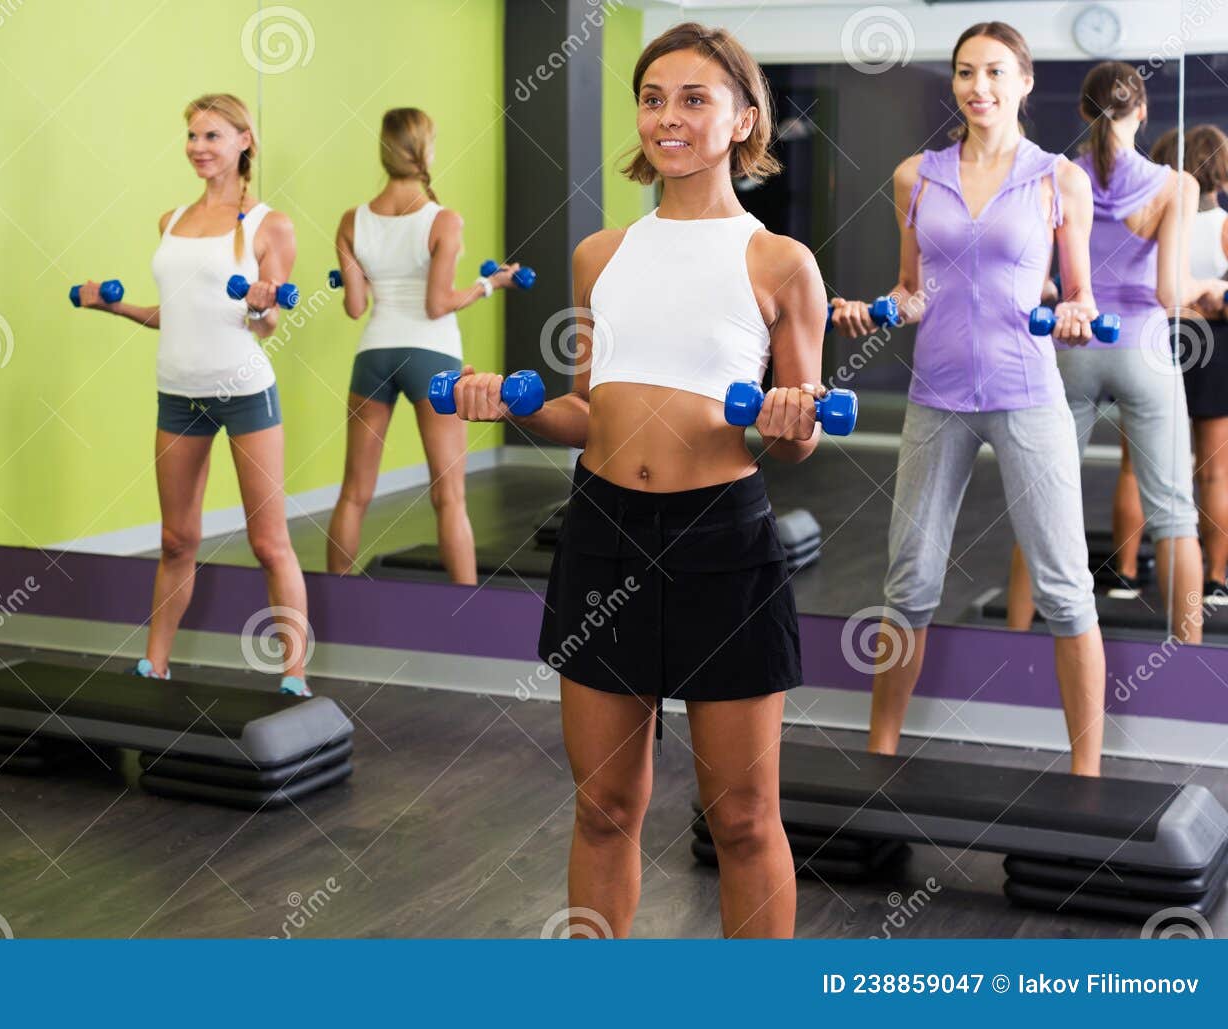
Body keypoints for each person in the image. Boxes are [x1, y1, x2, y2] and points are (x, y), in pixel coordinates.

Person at [455, 22, 824, 939]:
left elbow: (799, 437)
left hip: (723, 537)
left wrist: (787, 419)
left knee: (741, 818)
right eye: (654, 98)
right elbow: (589, 412)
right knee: (604, 805)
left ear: (744, 120)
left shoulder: (781, 263)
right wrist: (517, 407)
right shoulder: (601, 254)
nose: (669, 117)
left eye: (696, 99)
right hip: (603, 530)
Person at [835, 22, 1108, 775]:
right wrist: (879, 308)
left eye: (994, 72)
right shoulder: (915, 176)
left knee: (1064, 587)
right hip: (938, 394)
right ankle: (879, 755)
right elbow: (913, 290)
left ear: (1023, 81)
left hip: (1027, 393)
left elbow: (1079, 295)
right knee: (910, 580)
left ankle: (1087, 776)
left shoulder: (1059, 178)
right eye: (964, 72)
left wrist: (1078, 318)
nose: (977, 87)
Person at [75, 93, 310, 696]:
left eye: (212, 136)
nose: (199, 148)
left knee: (268, 542)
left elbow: (266, 324)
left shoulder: (269, 224)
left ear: (244, 141)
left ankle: (293, 676)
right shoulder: (171, 220)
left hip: (244, 389)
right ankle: (154, 662)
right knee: (177, 539)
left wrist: (261, 309)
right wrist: (114, 305)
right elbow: (173, 315)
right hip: (177, 393)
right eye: (193, 137)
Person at [1004, 62, 1215, 643]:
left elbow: (1043, 282)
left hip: (1071, 347)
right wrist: (1210, 290)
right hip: (1145, 348)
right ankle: (1189, 658)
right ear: (1142, 111)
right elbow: (1172, 293)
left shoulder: (1055, 176)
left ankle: (1012, 643)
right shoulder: (1176, 184)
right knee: (1174, 514)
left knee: (1041, 508)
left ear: (1081, 111)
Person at [325, 108, 522, 584]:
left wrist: (366, 273)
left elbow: (355, 306)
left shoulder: (352, 221)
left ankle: (331, 599)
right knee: (449, 495)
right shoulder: (444, 220)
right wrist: (490, 284)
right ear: (426, 151)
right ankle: (465, 610)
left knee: (354, 492)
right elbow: (438, 305)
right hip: (431, 356)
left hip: (374, 354)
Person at [1150, 124, 1228, 605]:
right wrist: (1211, 300)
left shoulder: (1159, 221)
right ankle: (1217, 579)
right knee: (1216, 473)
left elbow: (1152, 291)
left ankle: (1128, 576)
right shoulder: (1222, 224)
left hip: (1163, 343)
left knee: (1139, 469)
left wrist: (1184, 304)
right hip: (1214, 349)